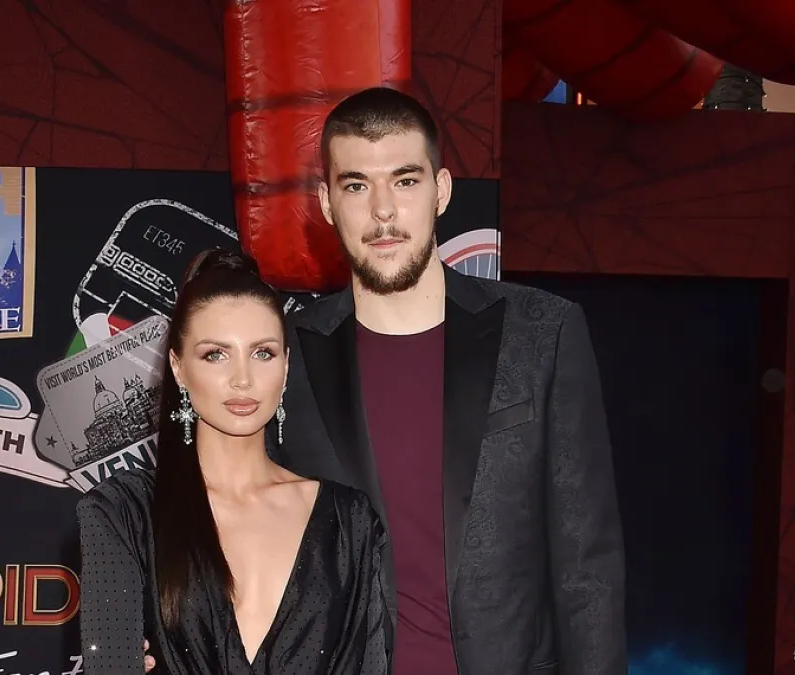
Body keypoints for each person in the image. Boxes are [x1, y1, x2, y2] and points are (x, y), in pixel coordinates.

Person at [268, 87, 628, 674]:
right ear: (327, 203)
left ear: (441, 190)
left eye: (405, 181)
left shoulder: (542, 333)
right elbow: (232, 535)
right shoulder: (284, 354)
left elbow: (586, 568)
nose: (383, 212)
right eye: (356, 185)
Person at [76, 249, 389, 675]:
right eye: (216, 354)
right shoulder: (124, 512)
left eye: (262, 353)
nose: (242, 379)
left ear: (286, 365)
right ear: (178, 368)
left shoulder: (349, 522)